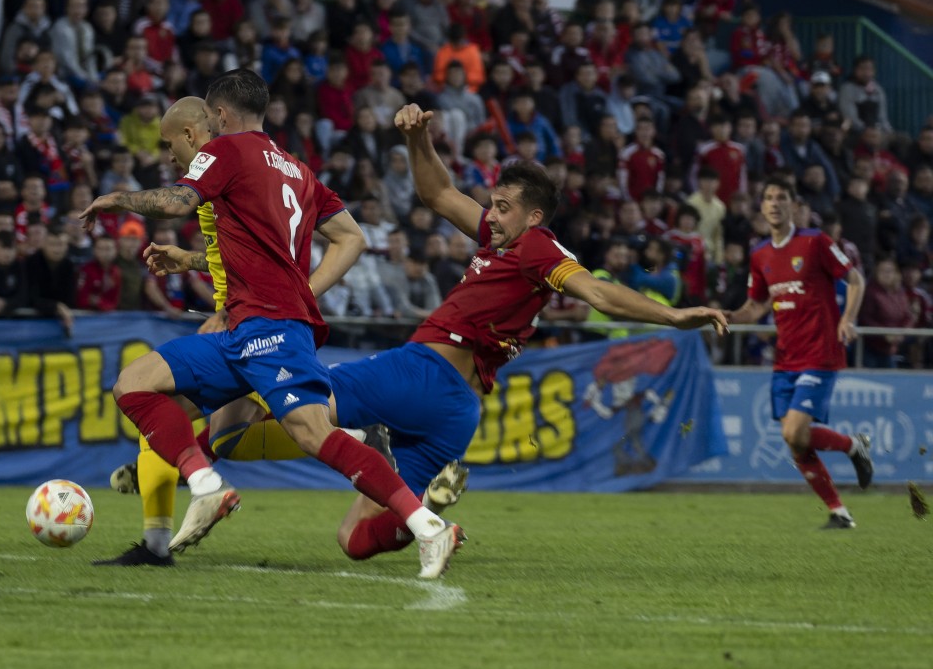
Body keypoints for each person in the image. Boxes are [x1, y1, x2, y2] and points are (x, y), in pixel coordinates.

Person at [133, 103, 729, 569]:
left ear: (533, 218)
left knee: (273, 411)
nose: (488, 215)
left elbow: (599, 294)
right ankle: (433, 514)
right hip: (457, 410)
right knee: (355, 540)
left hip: (423, 372)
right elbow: (437, 194)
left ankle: (199, 463)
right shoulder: (505, 243)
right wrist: (419, 140)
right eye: (491, 206)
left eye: (501, 207)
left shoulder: (538, 251)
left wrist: (674, 316)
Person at [79, 75, 463, 579]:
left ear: (217, 118)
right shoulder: (297, 170)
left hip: (269, 329)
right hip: (243, 327)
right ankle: (204, 489)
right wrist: (273, 284)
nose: (171, 153)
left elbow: (176, 203)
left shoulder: (228, 152)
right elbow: (348, 238)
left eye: (170, 142)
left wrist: (119, 199)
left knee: (313, 435)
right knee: (136, 384)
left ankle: (427, 527)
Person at [727, 178, 872, 529]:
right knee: (796, 441)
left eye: (781, 198)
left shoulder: (815, 242)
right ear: (760, 207)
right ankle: (839, 510)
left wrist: (848, 320)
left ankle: (853, 448)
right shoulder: (760, 253)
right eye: (768, 198)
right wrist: (727, 316)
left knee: (794, 433)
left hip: (820, 352)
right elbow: (756, 307)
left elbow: (856, 280)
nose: (774, 204)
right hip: (785, 358)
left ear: (794, 205)